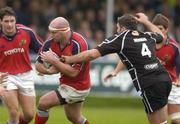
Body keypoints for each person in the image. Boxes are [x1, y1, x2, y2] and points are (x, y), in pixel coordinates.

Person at [62, 13, 172, 124]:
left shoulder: (121, 38)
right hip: (165, 79)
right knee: (162, 121)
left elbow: (92, 54)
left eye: (118, 27)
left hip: (150, 83)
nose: (117, 30)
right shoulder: (146, 35)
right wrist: (146, 21)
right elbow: (161, 36)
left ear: (123, 28)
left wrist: (69, 59)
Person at [34, 17, 90, 124]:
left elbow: (74, 73)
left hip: (78, 86)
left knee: (43, 103)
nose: (51, 35)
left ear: (64, 31)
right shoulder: (50, 42)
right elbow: (38, 64)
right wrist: (49, 71)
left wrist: (54, 61)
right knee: (75, 118)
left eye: (54, 32)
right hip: (66, 84)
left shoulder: (79, 44)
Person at [0, 6, 43, 124]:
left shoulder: (27, 32)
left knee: (29, 115)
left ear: (15, 20)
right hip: (6, 76)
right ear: (0, 22)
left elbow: (41, 49)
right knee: (14, 111)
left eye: (12, 21)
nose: (9, 24)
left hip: (26, 76)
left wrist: (43, 64)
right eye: (6, 21)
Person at [152, 14, 180, 124]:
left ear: (166, 30)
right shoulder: (147, 44)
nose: (158, 31)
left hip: (172, 85)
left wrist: (179, 79)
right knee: (160, 122)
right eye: (155, 28)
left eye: (160, 29)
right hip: (154, 86)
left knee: (176, 120)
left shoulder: (173, 46)